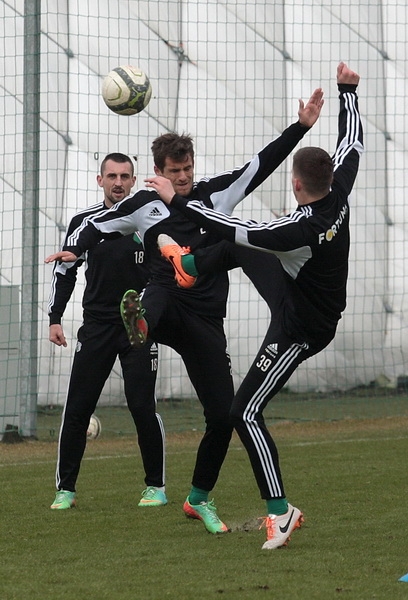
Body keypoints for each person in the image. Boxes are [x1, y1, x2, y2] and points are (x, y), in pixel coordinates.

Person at [45, 89, 324, 532]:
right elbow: (96, 226)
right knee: (156, 293)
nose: (184, 177)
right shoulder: (143, 205)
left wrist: (302, 127)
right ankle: (139, 323)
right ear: (158, 173)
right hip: (164, 302)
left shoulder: (217, 195)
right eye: (175, 172)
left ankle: (198, 498)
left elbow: (261, 162)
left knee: (223, 415)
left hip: (205, 319)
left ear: (194, 165)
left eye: (188, 169)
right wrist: (73, 251)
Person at [148, 62, 363, 549]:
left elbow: (230, 227)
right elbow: (353, 145)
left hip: (303, 324)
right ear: (327, 176)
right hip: (298, 290)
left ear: (296, 184)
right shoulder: (340, 191)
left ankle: (280, 513)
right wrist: (348, 93)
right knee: (238, 247)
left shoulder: (298, 230)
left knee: (243, 411)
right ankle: (189, 266)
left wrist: (179, 204)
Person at [48, 153, 166, 510]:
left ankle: (155, 487)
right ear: (100, 180)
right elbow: (66, 270)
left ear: (134, 181)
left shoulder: (150, 220)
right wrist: (55, 317)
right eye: (111, 176)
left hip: (138, 325)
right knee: (78, 407)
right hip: (97, 325)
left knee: (142, 406)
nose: (118, 182)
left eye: (125, 176)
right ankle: (65, 490)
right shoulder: (84, 222)